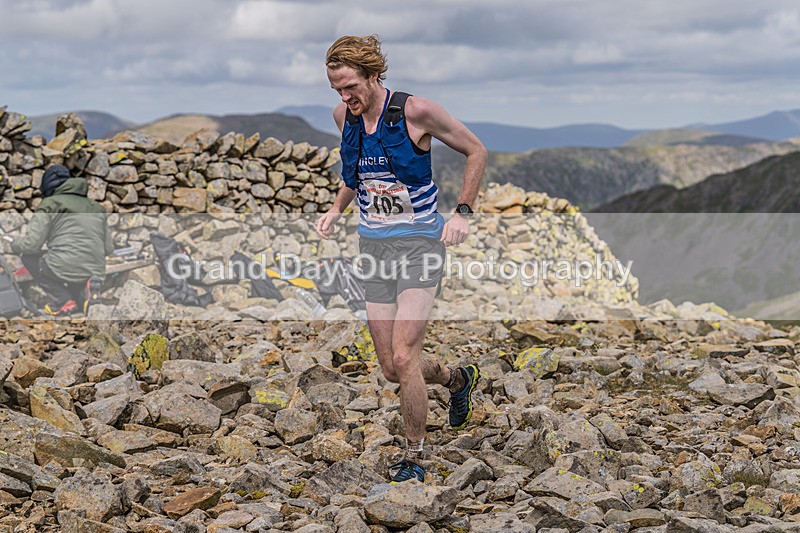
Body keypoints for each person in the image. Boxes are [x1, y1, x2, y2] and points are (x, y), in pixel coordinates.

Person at [316, 35, 488, 483]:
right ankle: (456, 379)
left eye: (351, 86)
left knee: (405, 354)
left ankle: (414, 455)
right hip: (373, 249)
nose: (345, 97)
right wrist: (337, 208)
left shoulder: (416, 112)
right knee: (392, 368)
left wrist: (463, 212)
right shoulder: (343, 117)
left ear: (374, 75)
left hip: (419, 247)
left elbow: (477, 151)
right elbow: (360, 173)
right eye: (337, 89)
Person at [11, 164, 113, 315]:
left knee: (29, 257)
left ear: (46, 187)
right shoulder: (96, 207)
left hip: (63, 266)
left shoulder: (50, 204)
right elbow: (108, 248)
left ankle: (63, 301)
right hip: (94, 269)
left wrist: (14, 244)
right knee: (75, 278)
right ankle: (88, 288)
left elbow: (31, 245)